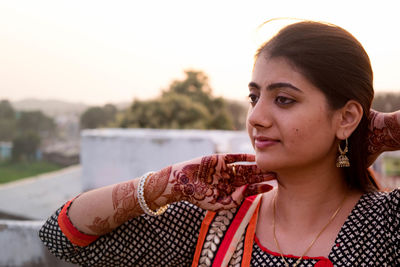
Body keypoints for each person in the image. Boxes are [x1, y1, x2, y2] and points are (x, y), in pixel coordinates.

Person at [39, 21, 400, 266]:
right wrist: (163, 186)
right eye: (254, 97)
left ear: (347, 117)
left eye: (284, 100)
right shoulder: (219, 221)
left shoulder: (385, 226)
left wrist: (384, 130)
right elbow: (62, 234)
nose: (257, 117)